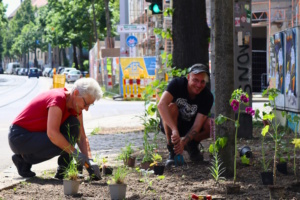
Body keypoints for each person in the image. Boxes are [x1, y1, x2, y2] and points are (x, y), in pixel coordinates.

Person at [8, 78, 103, 179]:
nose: (86, 109)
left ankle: (63, 171)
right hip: (19, 137)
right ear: (75, 93)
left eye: (89, 105)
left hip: (37, 135)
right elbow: (53, 134)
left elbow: (82, 137)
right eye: (85, 104)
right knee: (63, 142)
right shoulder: (58, 99)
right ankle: (23, 160)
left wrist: (89, 160)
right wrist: (76, 154)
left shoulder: (76, 107)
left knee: (74, 125)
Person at [157, 64, 214, 166]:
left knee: (211, 124)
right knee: (172, 107)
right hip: (171, 124)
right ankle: (172, 149)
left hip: (190, 127)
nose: (198, 85)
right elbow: (161, 105)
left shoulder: (207, 96)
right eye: (195, 80)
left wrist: (183, 141)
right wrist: (174, 130)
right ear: (188, 77)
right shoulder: (177, 84)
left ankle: (191, 145)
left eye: (202, 82)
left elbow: (197, 125)